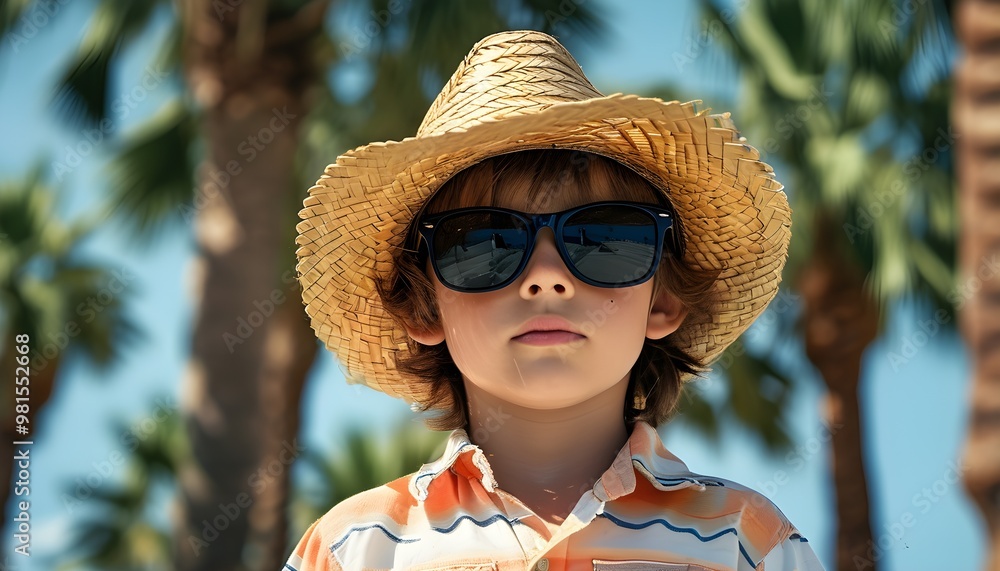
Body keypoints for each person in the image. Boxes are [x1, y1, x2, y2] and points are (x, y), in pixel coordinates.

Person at [287, 30, 824, 571]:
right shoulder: (352, 548)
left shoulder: (748, 542)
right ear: (424, 307)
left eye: (607, 239)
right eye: (484, 243)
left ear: (662, 298)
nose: (546, 277)